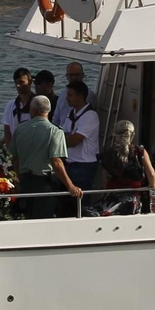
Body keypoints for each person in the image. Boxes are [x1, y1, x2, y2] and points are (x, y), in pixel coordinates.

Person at [13, 95, 79, 220]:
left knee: (27, 219)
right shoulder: (55, 132)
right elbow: (56, 161)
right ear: (47, 110)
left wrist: (19, 177)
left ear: (34, 110)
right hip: (45, 184)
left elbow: (15, 157)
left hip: (25, 182)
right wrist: (70, 186)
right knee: (43, 220)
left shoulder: (20, 129)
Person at [58, 79, 100, 217]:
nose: (67, 98)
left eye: (70, 95)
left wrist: (65, 138)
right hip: (70, 163)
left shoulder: (90, 116)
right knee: (67, 205)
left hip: (84, 166)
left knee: (81, 205)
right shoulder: (72, 114)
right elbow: (62, 136)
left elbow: (74, 140)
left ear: (80, 96)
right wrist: (65, 137)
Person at [100, 119, 155, 214]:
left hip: (111, 199)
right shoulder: (140, 152)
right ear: (133, 135)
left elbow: (105, 181)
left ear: (115, 135)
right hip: (133, 199)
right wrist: (153, 183)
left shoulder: (108, 154)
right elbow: (151, 174)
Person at [2, 67, 34, 152]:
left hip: (34, 150)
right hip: (16, 150)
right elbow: (7, 132)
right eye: (16, 83)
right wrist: (11, 152)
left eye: (21, 82)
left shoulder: (37, 103)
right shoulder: (10, 105)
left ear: (30, 82)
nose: (18, 86)